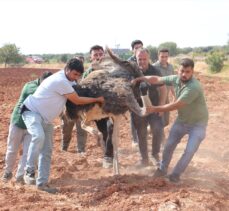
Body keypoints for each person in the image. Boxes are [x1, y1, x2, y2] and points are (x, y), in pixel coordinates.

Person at [21, 58, 104, 193]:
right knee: (38, 136)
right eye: (75, 74)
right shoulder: (61, 81)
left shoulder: (67, 79)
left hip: (46, 119)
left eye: (78, 75)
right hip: (32, 112)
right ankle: (29, 170)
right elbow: (76, 100)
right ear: (67, 70)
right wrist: (97, 99)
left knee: (47, 151)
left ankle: (42, 183)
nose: (76, 78)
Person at [132, 58, 208, 182]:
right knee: (169, 146)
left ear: (192, 72)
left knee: (189, 151)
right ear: (178, 70)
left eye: (187, 72)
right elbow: (156, 79)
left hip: (198, 125)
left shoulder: (193, 87)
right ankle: (162, 169)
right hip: (182, 120)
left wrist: (153, 109)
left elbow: (175, 105)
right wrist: (141, 78)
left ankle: (175, 175)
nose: (184, 74)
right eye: (182, 71)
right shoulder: (175, 79)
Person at [1, 71, 53, 183]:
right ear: (42, 80)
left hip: (33, 125)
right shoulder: (30, 86)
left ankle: (20, 177)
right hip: (18, 122)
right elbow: (39, 97)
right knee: (12, 150)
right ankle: (8, 172)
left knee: (27, 152)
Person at [132, 48, 167, 167]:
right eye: (139, 59)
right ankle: (144, 159)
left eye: (144, 59)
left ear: (149, 59)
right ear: (136, 59)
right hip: (138, 109)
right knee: (141, 133)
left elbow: (163, 89)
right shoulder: (131, 73)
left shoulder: (155, 70)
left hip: (154, 107)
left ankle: (155, 155)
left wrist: (161, 106)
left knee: (157, 129)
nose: (142, 61)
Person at [82, 45, 114, 168]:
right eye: (96, 55)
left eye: (101, 54)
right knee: (105, 131)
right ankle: (108, 156)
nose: (99, 57)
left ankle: (108, 156)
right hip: (95, 111)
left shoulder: (110, 71)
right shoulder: (87, 74)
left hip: (110, 108)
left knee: (111, 128)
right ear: (91, 57)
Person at [61, 56, 87, 154]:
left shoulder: (84, 75)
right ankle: (64, 148)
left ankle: (81, 150)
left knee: (82, 130)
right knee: (66, 129)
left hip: (81, 108)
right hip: (68, 108)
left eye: (81, 62)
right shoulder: (65, 77)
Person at [127, 40, 144, 147]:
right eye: (136, 47)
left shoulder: (144, 58)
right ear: (132, 50)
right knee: (134, 116)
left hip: (143, 93)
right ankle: (135, 140)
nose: (138, 49)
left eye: (140, 47)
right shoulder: (128, 63)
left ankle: (142, 137)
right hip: (133, 94)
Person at [153, 48, 175, 127]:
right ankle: (158, 136)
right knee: (158, 122)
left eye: (166, 56)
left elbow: (172, 82)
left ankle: (149, 131)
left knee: (166, 122)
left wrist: (174, 95)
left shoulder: (170, 67)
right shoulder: (153, 67)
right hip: (156, 99)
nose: (164, 59)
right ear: (158, 56)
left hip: (166, 98)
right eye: (162, 57)